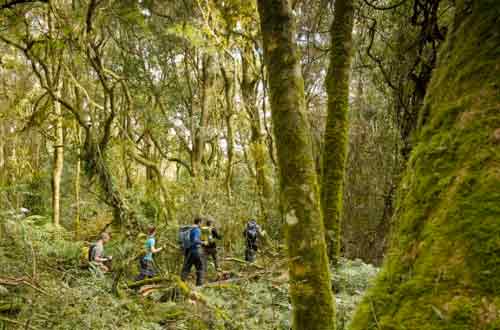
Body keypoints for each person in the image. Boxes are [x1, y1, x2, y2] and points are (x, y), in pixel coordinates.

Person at [181, 217, 204, 286]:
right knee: (200, 267)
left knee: (186, 268)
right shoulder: (197, 230)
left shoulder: (190, 229)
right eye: (201, 222)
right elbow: (195, 240)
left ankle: (181, 282)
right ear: (199, 222)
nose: (202, 224)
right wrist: (202, 242)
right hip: (196, 251)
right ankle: (199, 285)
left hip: (189, 251)